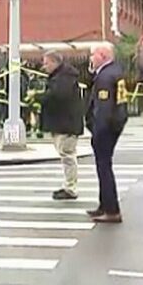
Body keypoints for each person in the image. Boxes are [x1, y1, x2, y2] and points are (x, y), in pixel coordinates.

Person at [85, 44, 128, 223]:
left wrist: (97, 130)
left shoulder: (104, 77)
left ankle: (111, 209)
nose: (91, 59)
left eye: (93, 55)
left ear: (102, 55)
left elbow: (104, 109)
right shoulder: (114, 72)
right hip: (115, 125)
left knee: (104, 168)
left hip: (106, 129)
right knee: (104, 167)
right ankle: (104, 205)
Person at [38, 51, 84, 201]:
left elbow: (57, 96)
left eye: (46, 63)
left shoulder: (64, 78)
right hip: (63, 123)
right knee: (66, 154)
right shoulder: (61, 77)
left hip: (66, 123)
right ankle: (68, 186)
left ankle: (71, 188)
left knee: (67, 155)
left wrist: (40, 98)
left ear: (54, 62)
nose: (44, 66)